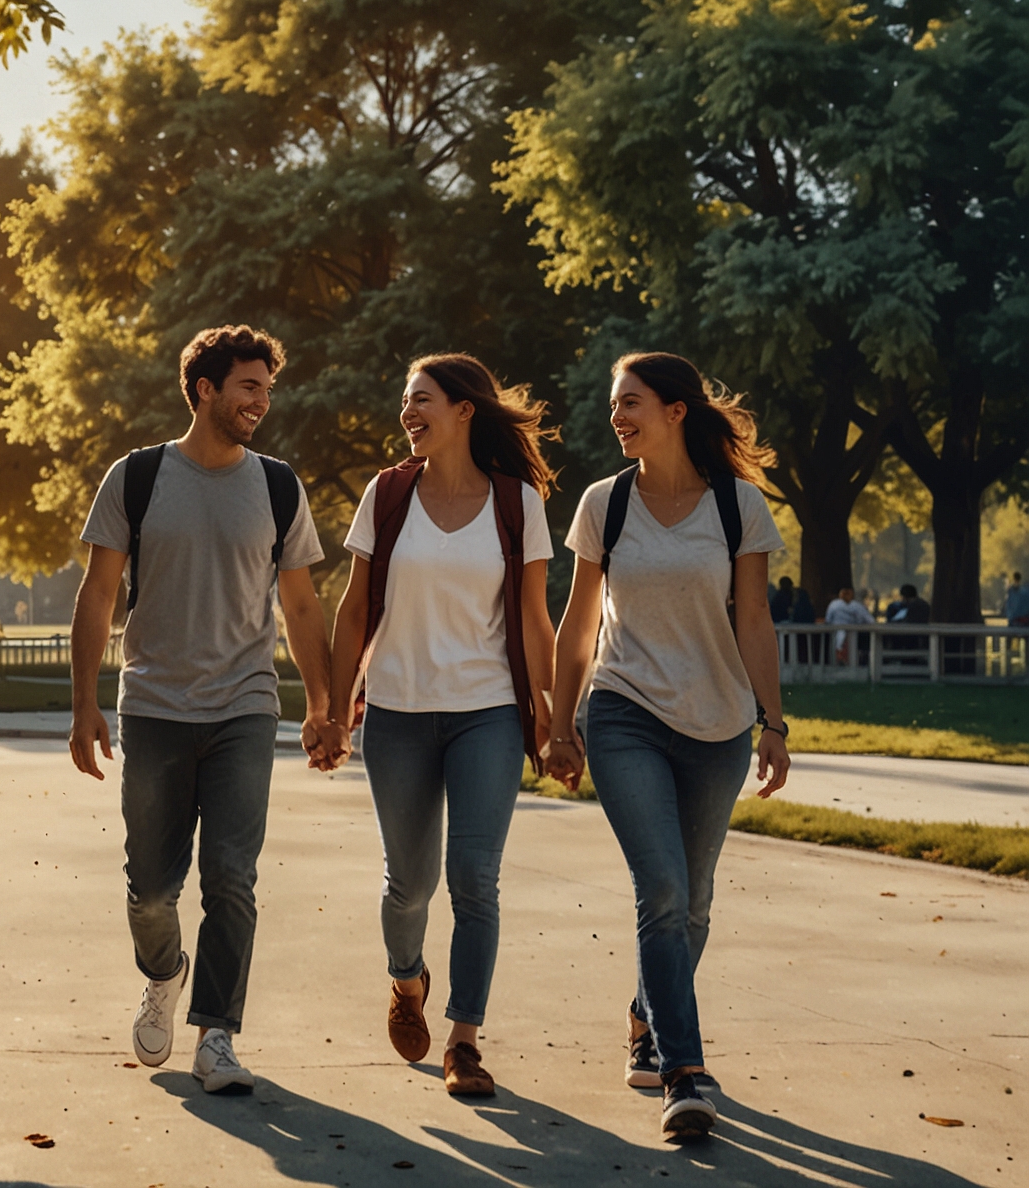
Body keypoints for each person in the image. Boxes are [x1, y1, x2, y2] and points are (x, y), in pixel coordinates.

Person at [69, 324, 332, 1094]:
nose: (263, 402)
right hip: (152, 703)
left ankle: (217, 1036)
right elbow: (98, 593)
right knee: (151, 887)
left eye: (267, 388)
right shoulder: (139, 476)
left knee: (231, 876)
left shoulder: (278, 485)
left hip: (245, 706)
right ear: (206, 389)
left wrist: (321, 704)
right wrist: (85, 703)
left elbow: (304, 606)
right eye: (249, 386)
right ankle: (164, 971)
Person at [547, 352, 789, 1142]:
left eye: (631, 403)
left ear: (677, 410)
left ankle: (647, 1015)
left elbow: (753, 620)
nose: (617, 416)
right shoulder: (603, 505)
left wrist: (774, 722)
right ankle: (685, 1073)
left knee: (695, 899)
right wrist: (559, 720)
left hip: (718, 722)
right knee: (660, 888)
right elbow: (580, 623)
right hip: (625, 711)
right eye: (614, 405)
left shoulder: (738, 507)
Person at [325, 353, 557, 1099]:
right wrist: (332, 710)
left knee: (475, 880)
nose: (407, 413)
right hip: (396, 709)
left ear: (464, 410)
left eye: (420, 400)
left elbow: (532, 618)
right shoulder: (388, 494)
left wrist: (553, 719)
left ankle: (464, 1041)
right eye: (404, 402)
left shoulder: (516, 503)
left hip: (486, 710)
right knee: (408, 884)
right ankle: (406, 979)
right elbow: (354, 609)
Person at [824, 587, 874, 665]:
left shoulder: (834, 604)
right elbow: (870, 621)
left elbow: (828, 620)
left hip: (836, 635)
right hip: (852, 636)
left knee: (836, 656)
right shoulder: (857, 606)